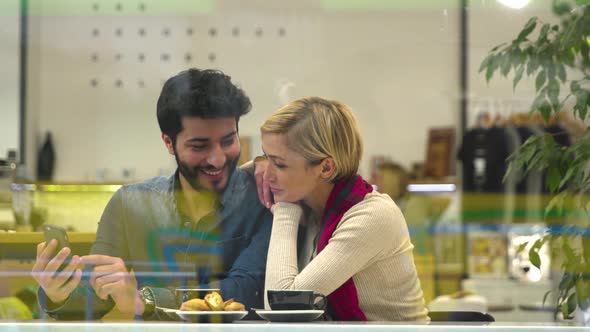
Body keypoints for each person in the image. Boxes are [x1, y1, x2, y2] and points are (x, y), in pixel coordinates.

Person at [31, 68, 273, 320]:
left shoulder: (262, 197)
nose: (217, 159)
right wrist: (59, 292)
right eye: (199, 146)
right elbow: (96, 297)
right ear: (169, 143)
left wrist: (143, 299)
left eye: (227, 141)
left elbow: (246, 288)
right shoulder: (130, 204)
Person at [258, 96, 428, 321]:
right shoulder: (314, 204)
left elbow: (283, 307)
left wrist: (285, 210)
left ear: (326, 167)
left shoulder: (372, 215)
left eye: (279, 164)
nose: (267, 175)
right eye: (264, 157)